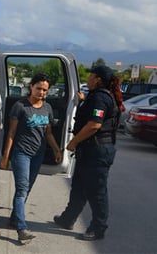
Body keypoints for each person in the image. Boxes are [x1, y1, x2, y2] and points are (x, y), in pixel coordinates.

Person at [53, 65, 122, 241]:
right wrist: (83, 100)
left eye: (91, 75)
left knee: (96, 191)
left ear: (97, 79)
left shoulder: (100, 97)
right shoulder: (96, 96)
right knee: (79, 186)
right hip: (90, 150)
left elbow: (94, 125)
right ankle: (67, 219)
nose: (88, 79)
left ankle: (98, 228)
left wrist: (73, 142)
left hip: (98, 151)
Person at [0, 73, 63, 243]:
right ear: (31, 87)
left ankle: (14, 218)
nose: (41, 92)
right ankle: (21, 228)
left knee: (26, 189)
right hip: (21, 153)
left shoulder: (47, 108)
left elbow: (48, 133)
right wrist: (6, 156)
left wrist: (57, 150)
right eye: (39, 88)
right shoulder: (20, 106)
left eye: (45, 90)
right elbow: (11, 133)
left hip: (38, 154)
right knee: (22, 189)